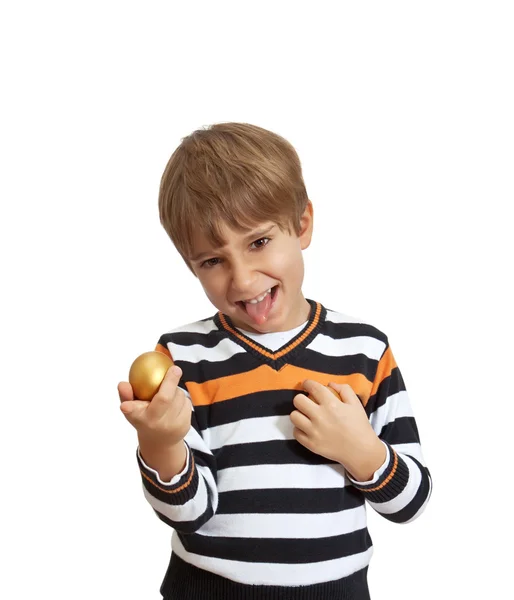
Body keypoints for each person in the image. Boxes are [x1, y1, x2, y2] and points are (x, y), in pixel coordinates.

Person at [118, 122, 432, 600]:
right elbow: (189, 511)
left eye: (259, 242)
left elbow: (411, 502)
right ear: (190, 265)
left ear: (302, 224)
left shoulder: (365, 350)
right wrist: (159, 442)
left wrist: (361, 451)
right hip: (208, 589)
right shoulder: (183, 357)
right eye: (212, 261)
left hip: (336, 590)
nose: (242, 280)